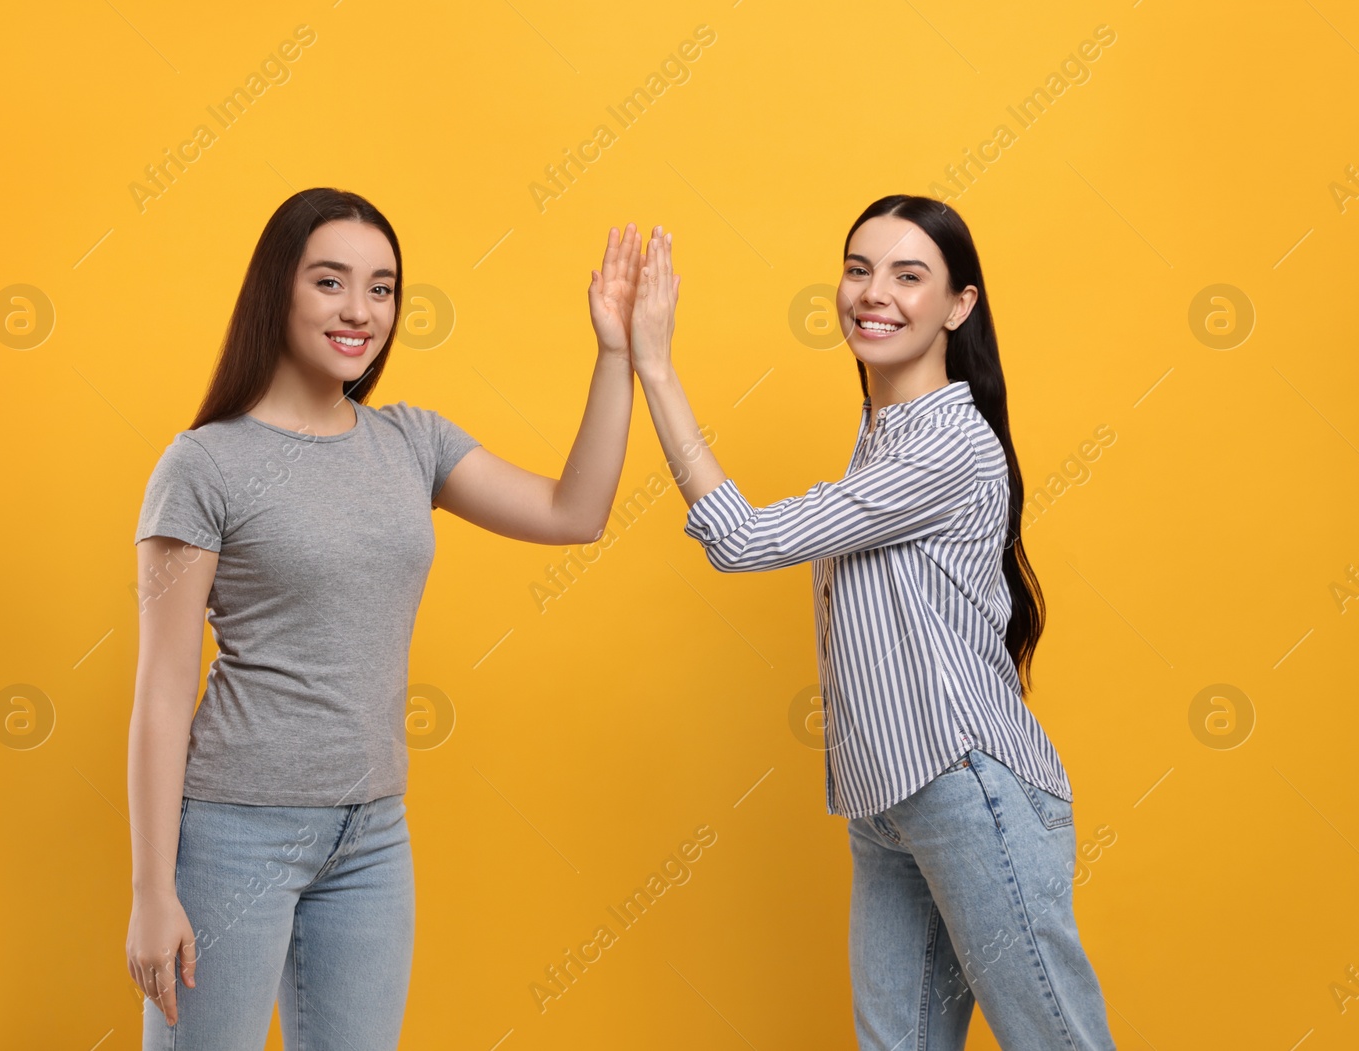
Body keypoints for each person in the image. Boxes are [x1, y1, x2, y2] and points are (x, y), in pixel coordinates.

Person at [126, 186, 650, 1047]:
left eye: (382, 287)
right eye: (331, 282)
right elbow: (162, 690)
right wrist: (153, 890)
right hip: (234, 832)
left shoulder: (410, 441)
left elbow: (574, 512)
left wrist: (616, 354)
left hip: (371, 838)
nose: (360, 311)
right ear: (277, 291)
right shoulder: (204, 465)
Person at [627, 196, 1117, 1050]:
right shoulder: (883, 436)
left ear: (958, 305)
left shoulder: (945, 443)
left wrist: (657, 369)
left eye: (907, 274)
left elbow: (744, 539)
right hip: (886, 793)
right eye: (858, 269)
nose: (873, 292)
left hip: (966, 784)